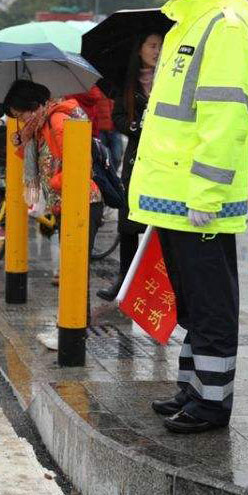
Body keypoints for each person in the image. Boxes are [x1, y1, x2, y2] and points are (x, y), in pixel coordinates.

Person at [128, 0, 248, 434]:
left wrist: (207, 192)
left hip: (198, 198)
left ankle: (212, 404)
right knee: (191, 299)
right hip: (175, 195)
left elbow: (225, 117)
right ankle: (192, 389)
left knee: (211, 304)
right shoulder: (187, 23)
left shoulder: (222, 25)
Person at [3, 80, 104, 317]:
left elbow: (78, 164)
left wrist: (55, 182)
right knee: (72, 269)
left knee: (75, 270)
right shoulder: (39, 125)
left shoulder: (58, 120)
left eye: (22, 114)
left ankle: (77, 328)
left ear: (36, 105)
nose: (22, 121)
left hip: (83, 203)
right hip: (65, 204)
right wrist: (23, 141)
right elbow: (43, 160)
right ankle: (76, 324)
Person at [96, 31, 163, 301]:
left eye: (160, 46)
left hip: (163, 160)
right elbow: (118, 117)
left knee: (157, 225)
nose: (157, 51)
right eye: (152, 45)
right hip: (136, 158)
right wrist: (137, 127)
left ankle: (155, 286)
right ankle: (124, 280)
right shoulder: (129, 83)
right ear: (140, 50)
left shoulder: (169, 78)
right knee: (128, 222)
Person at [96, 89, 123, 173]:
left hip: (114, 127)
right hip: (100, 129)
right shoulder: (94, 87)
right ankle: (106, 176)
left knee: (117, 156)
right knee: (102, 157)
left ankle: (112, 175)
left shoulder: (112, 86)